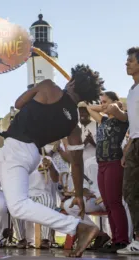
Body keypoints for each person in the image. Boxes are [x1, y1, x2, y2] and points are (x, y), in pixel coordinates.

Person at [0, 64, 104, 257]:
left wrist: (36, 90)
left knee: (17, 207)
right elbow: (76, 163)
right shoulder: (74, 125)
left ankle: (77, 227)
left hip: (17, 147)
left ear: (72, 81)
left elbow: (18, 104)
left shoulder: (49, 87)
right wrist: (78, 194)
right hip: (29, 153)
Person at [86, 91, 129, 252]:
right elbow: (88, 107)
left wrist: (112, 105)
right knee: (108, 203)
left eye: (105, 101)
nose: (102, 104)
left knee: (114, 202)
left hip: (114, 162)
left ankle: (122, 240)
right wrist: (103, 105)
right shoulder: (103, 120)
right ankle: (115, 239)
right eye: (100, 101)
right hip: (101, 164)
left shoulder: (122, 118)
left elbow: (114, 108)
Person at [119, 47, 139, 255]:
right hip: (135, 144)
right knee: (130, 193)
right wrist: (127, 149)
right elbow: (133, 126)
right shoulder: (132, 91)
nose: (127, 64)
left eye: (131, 61)